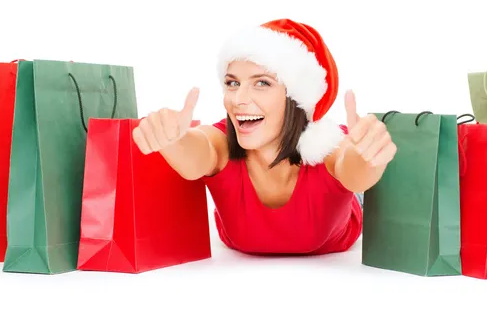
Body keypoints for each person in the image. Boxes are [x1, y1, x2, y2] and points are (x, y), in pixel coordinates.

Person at [132, 19, 396, 256]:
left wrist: (370, 156)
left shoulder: (329, 147)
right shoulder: (221, 141)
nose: (238, 99)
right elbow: (197, 152)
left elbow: (353, 170)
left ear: (296, 97)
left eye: (262, 83)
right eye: (233, 83)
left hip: (343, 221)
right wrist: (173, 139)